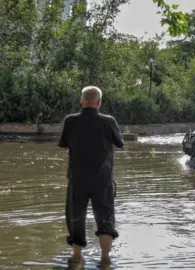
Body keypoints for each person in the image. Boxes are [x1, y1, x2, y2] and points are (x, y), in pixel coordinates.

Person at [58, 86, 124, 265]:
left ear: (82, 101)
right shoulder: (109, 121)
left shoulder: (70, 121)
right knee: (105, 217)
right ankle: (105, 259)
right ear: (99, 102)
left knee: (75, 216)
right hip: (102, 180)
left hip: (77, 179)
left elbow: (64, 145)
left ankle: (77, 256)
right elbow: (119, 143)